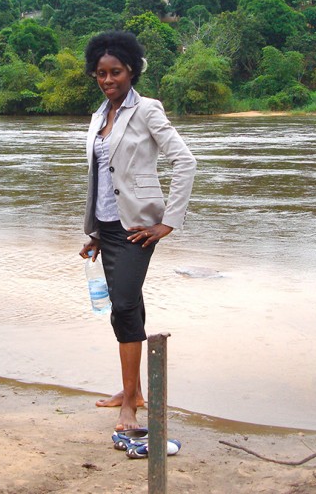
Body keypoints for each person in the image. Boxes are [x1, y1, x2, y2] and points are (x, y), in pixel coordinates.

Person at [79, 31, 196, 431]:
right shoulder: (98, 116)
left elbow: (185, 162)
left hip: (137, 227)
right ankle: (134, 392)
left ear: (131, 70)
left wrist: (168, 222)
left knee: (124, 307)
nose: (108, 80)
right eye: (100, 74)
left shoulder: (147, 110)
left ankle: (130, 402)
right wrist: (93, 232)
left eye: (116, 72)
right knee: (129, 305)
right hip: (107, 228)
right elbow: (100, 177)